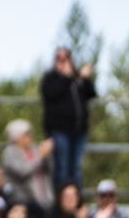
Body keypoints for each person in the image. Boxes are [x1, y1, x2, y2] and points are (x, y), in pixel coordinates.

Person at [40, 47, 97, 188]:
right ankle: (61, 201)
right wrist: (65, 77)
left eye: (66, 58)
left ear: (71, 60)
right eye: (59, 58)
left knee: (75, 168)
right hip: (59, 130)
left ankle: (75, 200)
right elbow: (51, 94)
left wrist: (85, 78)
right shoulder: (50, 78)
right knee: (62, 167)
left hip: (79, 130)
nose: (63, 62)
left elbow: (91, 94)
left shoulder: (77, 79)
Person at [1, 118, 54, 218]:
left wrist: (47, 156)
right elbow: (23, 171)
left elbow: (48, 169)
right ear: (16, 137)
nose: (30, 137)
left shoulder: (33, 149)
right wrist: (40, 155)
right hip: (25, 199)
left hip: (44, 197)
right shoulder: (10, 153)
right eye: (26, 134)